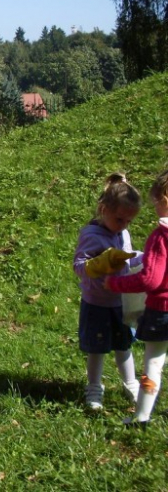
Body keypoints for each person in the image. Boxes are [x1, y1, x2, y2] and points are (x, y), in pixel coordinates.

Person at [73, 173, 141, 410]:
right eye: (120, 219)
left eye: (128, 222)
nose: (123, 225)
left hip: (120, 301)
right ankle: (94, 387)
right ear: (103, 209)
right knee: (97, 347)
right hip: (97, 302)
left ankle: (130, 382)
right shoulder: (90, 235)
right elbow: (79, 266)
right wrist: (97, 265)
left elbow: (129, 258)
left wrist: (143, 258)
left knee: (124, 344)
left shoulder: (122, 233)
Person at [105, 169, 168, 427]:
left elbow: (150, 279)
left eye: (155, 202)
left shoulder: (161, 236)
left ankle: (141, 416)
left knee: (153, 363)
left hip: (162, 309)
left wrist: (116, 283)